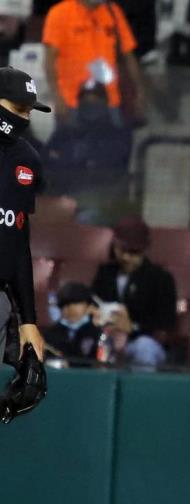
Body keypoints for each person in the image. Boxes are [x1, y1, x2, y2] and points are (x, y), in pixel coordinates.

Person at [0, 66, 50, 365]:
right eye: (18, 109)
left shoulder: (27, 159)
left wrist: (27, 320)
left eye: (30, 111)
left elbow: (18, 239)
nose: (25, 118)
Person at [42, 0, 145, 125]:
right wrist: (57, 98)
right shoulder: (59, 13)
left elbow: (128, 55)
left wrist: (139, 91)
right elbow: (49, 62)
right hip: (71, 103)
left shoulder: (113, 12)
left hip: (111, 101)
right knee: (71, 143)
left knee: (114, 142)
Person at [91, 216, 176, 367]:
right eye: (122, 250)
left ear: (144, 250)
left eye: (134, 252)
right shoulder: (105, 273)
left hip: (142, 341)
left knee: (144, 348)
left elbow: (165, 324)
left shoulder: (161, 278)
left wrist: (132, 327)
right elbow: (92, 302)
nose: (126, 257)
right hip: (108, 339)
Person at [43, 79, 133, 196]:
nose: (90, 105)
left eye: (96, 100)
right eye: (86, 100)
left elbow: (110, 166)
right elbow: (47, 161)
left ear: (105, 102)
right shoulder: (65, 133)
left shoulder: (119, 134)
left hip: (104, 199)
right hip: (66, 196)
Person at [43, 282, 100, 361]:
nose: (71, 308)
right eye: (65, 304)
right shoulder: (49, 334)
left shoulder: (98, 332)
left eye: (76, 302)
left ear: (88, 305)